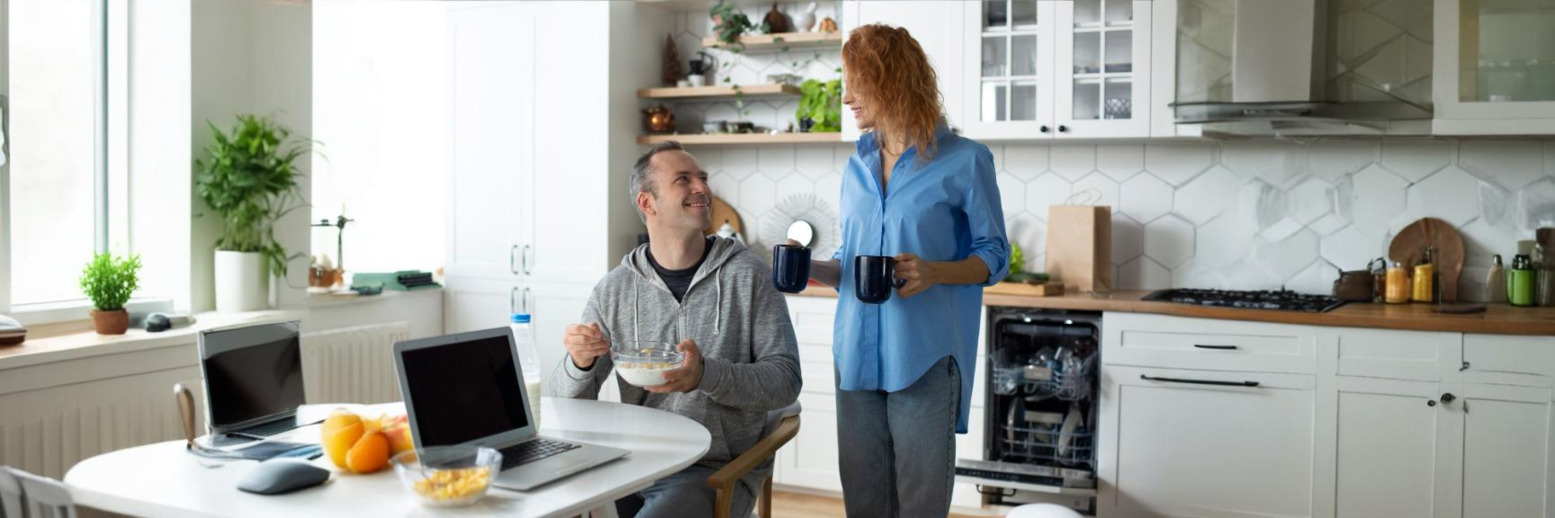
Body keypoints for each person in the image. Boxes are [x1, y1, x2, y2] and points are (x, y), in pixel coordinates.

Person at [803, 24, 1009, 517]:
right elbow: (850, 261)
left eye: (857, 82)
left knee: (919, 505)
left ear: (892, 79)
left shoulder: (966, 160)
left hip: (924, 357)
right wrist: (811, 270)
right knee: (865, 502)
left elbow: (994, 255)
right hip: (854, 355)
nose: (847, 96)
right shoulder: (857, 166)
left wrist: (935, 271)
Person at [550, 141, 803, 518]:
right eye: (683, 180)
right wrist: (580, 362)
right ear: (647, 204)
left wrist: (705, 375)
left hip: (712, 469)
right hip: (630, 463)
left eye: (702, 178)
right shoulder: (614, 289)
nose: (701, 187)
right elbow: (565, 403)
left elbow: (786, 380)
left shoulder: (748, 275)